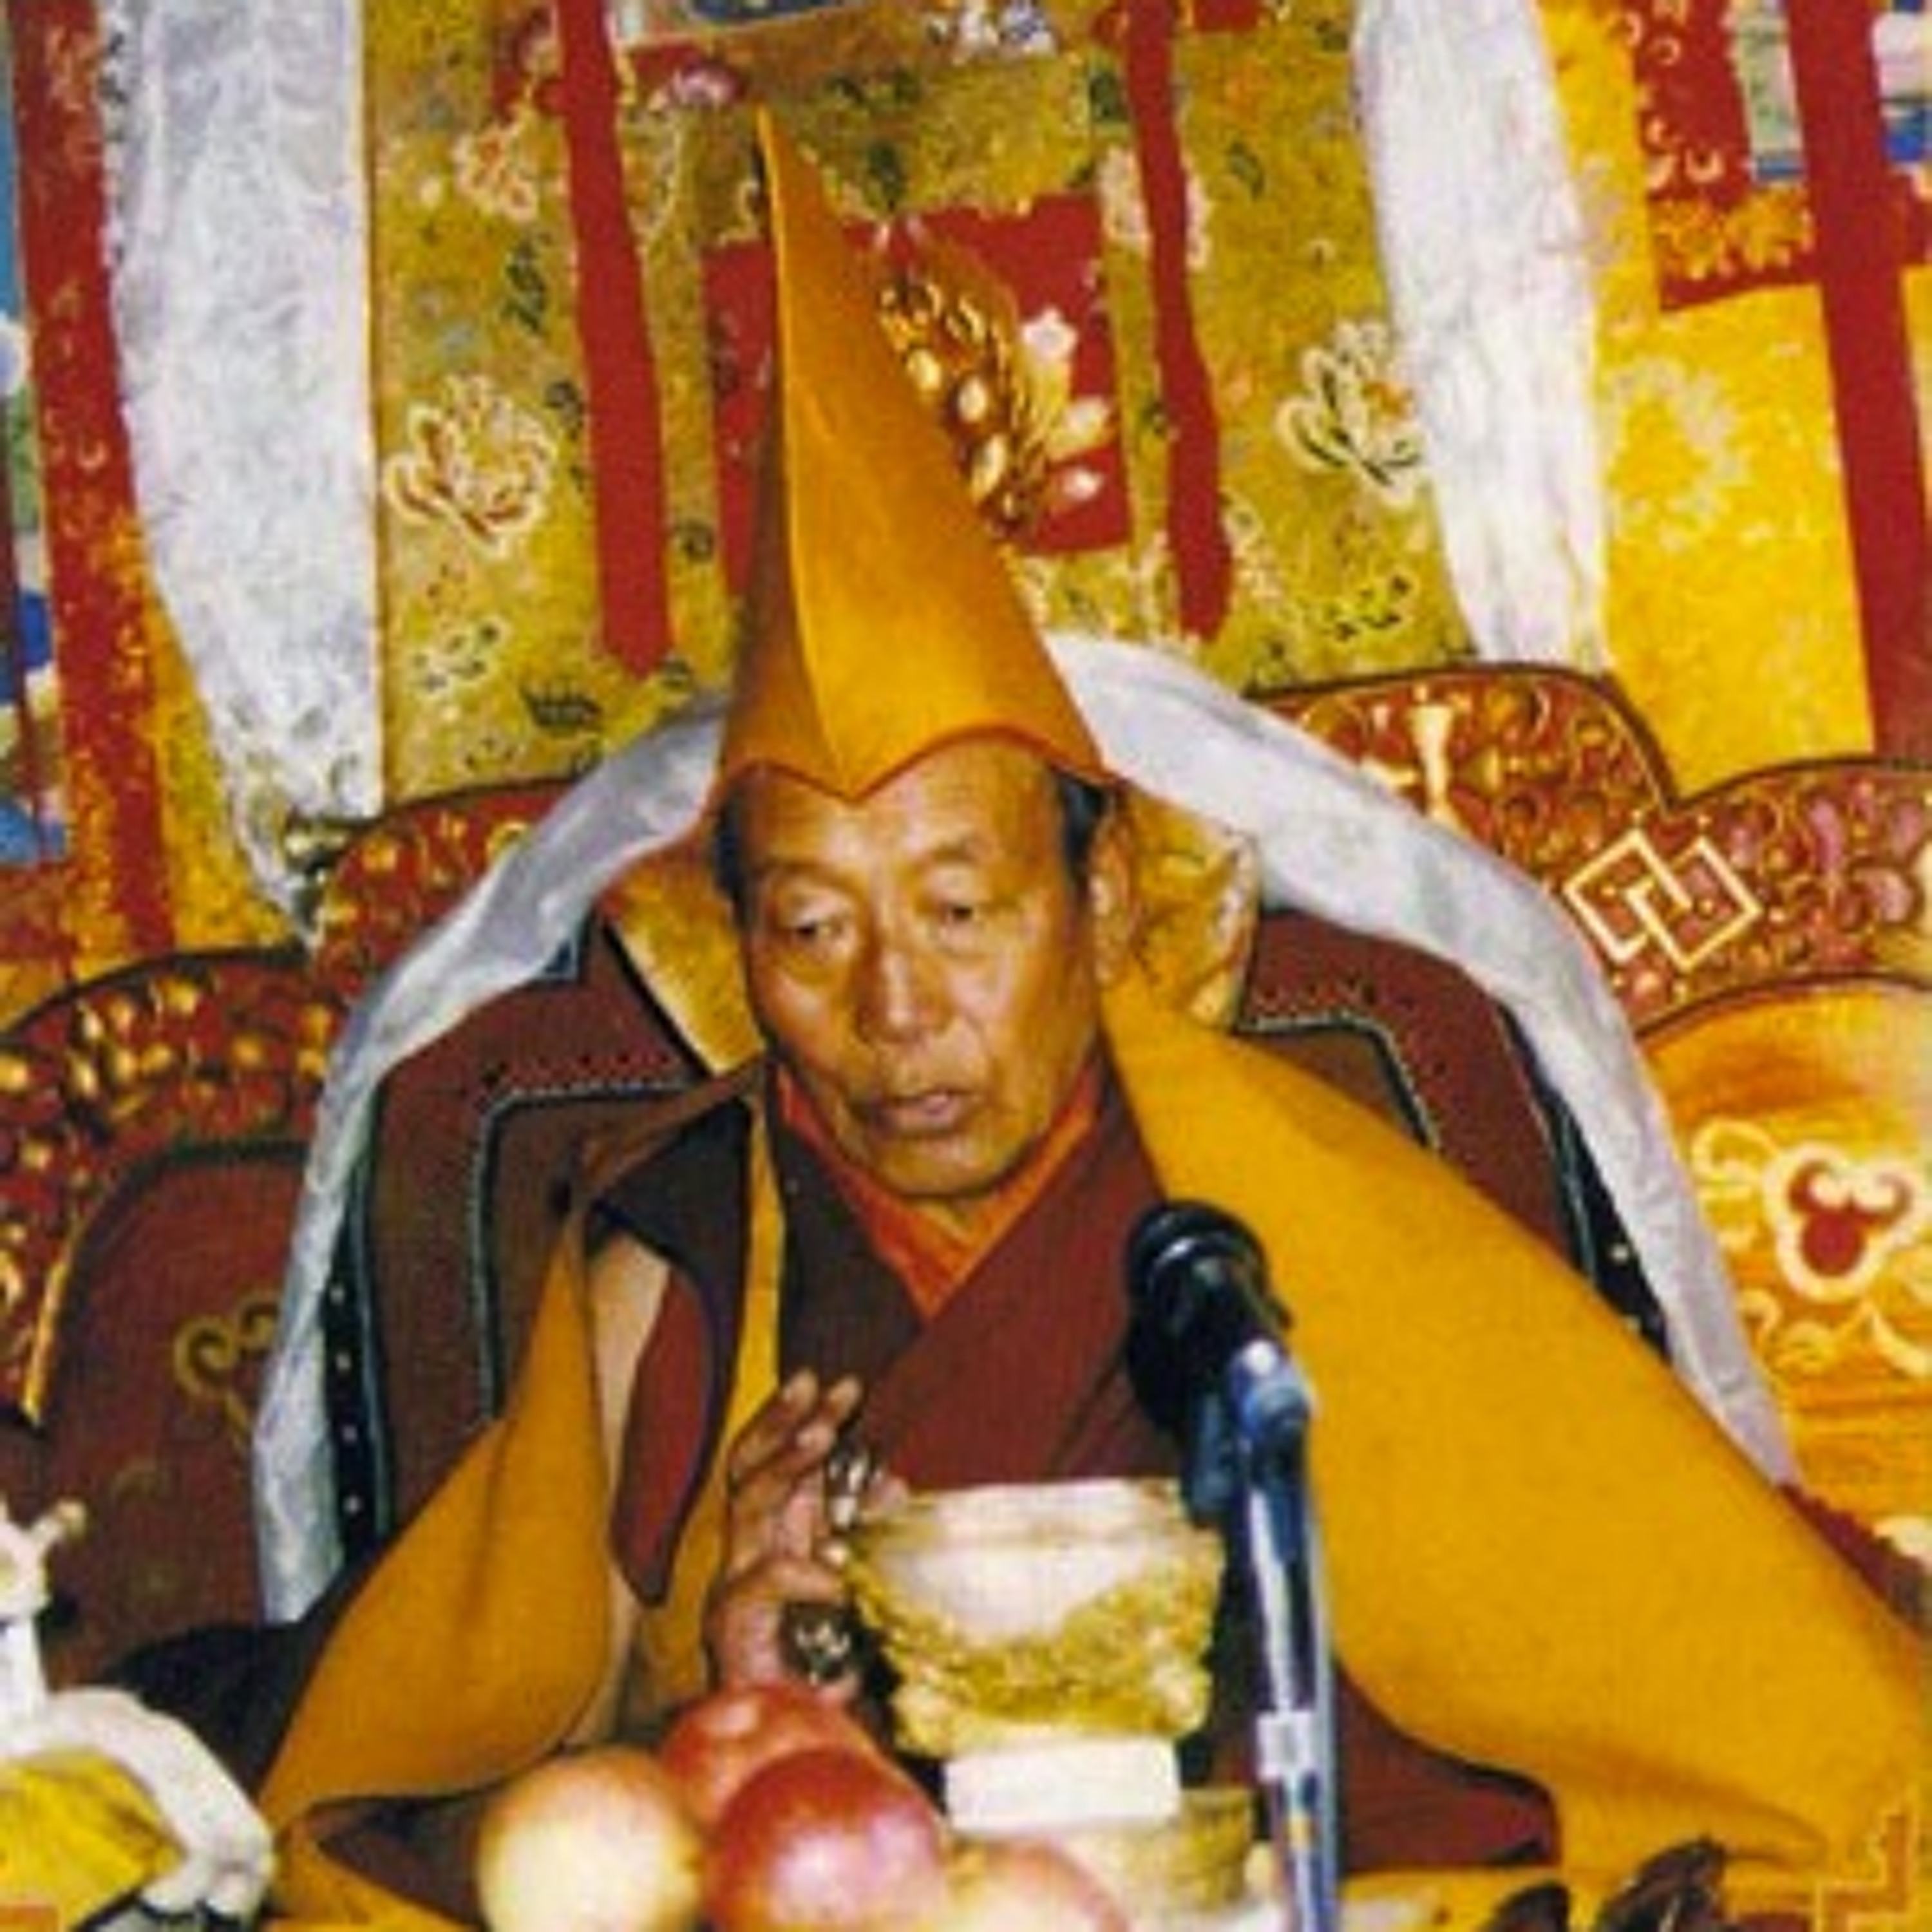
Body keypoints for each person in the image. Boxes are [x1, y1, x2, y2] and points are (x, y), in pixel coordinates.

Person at [242, 121, 1922, 1927]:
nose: (895, 1009)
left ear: (1102, 898)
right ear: (738, 947)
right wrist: (726, 1696)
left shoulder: (1304, 1212)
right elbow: (466, 1808)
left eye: (962, 912)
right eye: (812, 929)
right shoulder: (674, 1254)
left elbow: (1723, 1705)